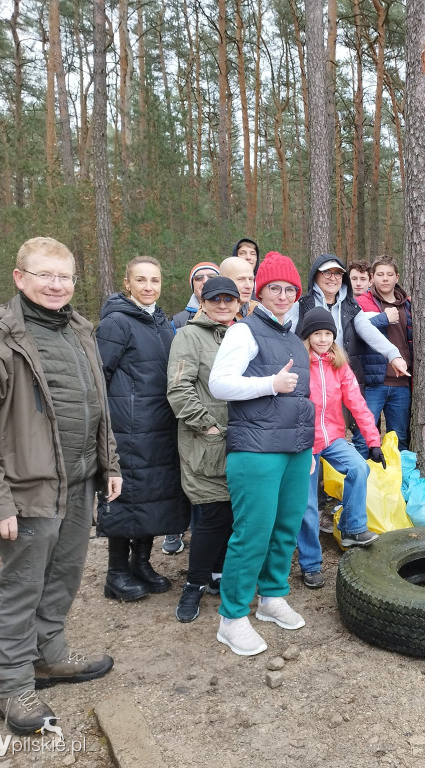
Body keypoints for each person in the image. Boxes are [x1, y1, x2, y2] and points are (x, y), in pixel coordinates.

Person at [0, 237, 120, 734]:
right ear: (19, 277)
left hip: (80, 481)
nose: (56, 285)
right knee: (22, 586)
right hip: (28, 490)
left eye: (65, 276)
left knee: (64, 575)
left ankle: (50, 655)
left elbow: (97, 405)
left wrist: (110, 464)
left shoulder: (80, 331)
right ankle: (11, 686)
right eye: (45, 275)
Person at [208, 252, 315, 656]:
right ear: (261, 291)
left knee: (285, 527)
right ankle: (232, 617)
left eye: (290, 289)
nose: (283, 296)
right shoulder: (244, 331)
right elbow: (220, 384)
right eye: (275, 288)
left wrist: (309, 445)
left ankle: (271, 598)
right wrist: (270, 383)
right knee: (252, 532)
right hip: (256, 450)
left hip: (295, 450)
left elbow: (301, 395)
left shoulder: (293, 337)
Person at [97, 256, 186, 601]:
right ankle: (116, 573)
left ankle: (141, 564)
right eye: (141, 280)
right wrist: (107, 428)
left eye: (155, 280)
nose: (149, 287)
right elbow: (98, 378)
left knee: (150, 497)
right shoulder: (116, 323)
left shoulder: (162, 322)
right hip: (128, 428)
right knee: (124, 498)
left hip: (159, 426)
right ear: (127, 283)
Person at [166, 276, 241, 623]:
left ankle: (218, 574)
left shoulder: (242, 333)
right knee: (211, 517)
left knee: (231, 515)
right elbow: (179, 388)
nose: (223, 305)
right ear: (203, 301)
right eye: (216, 299)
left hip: (243, 441)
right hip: (206, 443)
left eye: (230, 299)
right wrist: (207, 425)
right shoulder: (189, 336)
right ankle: (193, 584)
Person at [296, 308, 384, 588]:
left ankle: (352, 528)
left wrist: (373, 441)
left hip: (333, 436)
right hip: (304, 442)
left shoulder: (339, 364)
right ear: (308, 337)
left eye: (327, 334)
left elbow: (357, 403)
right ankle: (310, 564)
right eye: (317, 334)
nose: (323, 339)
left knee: (358, 468)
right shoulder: (298, 363)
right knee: (307, 505)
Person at [291, 254, 410, 386]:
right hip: (309, 381)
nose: (333, 278)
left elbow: (369, 331)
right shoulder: (301, 306)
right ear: (315, 275)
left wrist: (393, 354)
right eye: (326, 272)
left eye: (337, 273)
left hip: (343, 381)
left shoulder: (351, 307)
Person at [354, 256, 413, 452]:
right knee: (364, 438)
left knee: (399, 439)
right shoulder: (361, 302)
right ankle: (364, 480)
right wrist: (382, 318)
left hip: (401, 383)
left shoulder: (408, 305)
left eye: (389, 274)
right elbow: (353, 331)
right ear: (372, 278)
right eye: (380, 274)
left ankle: (398, 480)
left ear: (397, 277)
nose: (385, 279)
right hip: (373, 382)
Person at [171, 262, 220, 330]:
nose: (205, 281)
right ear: (193, 286)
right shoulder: (178, 322)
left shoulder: (233, 315)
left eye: (212, 277)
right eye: (199, 278)